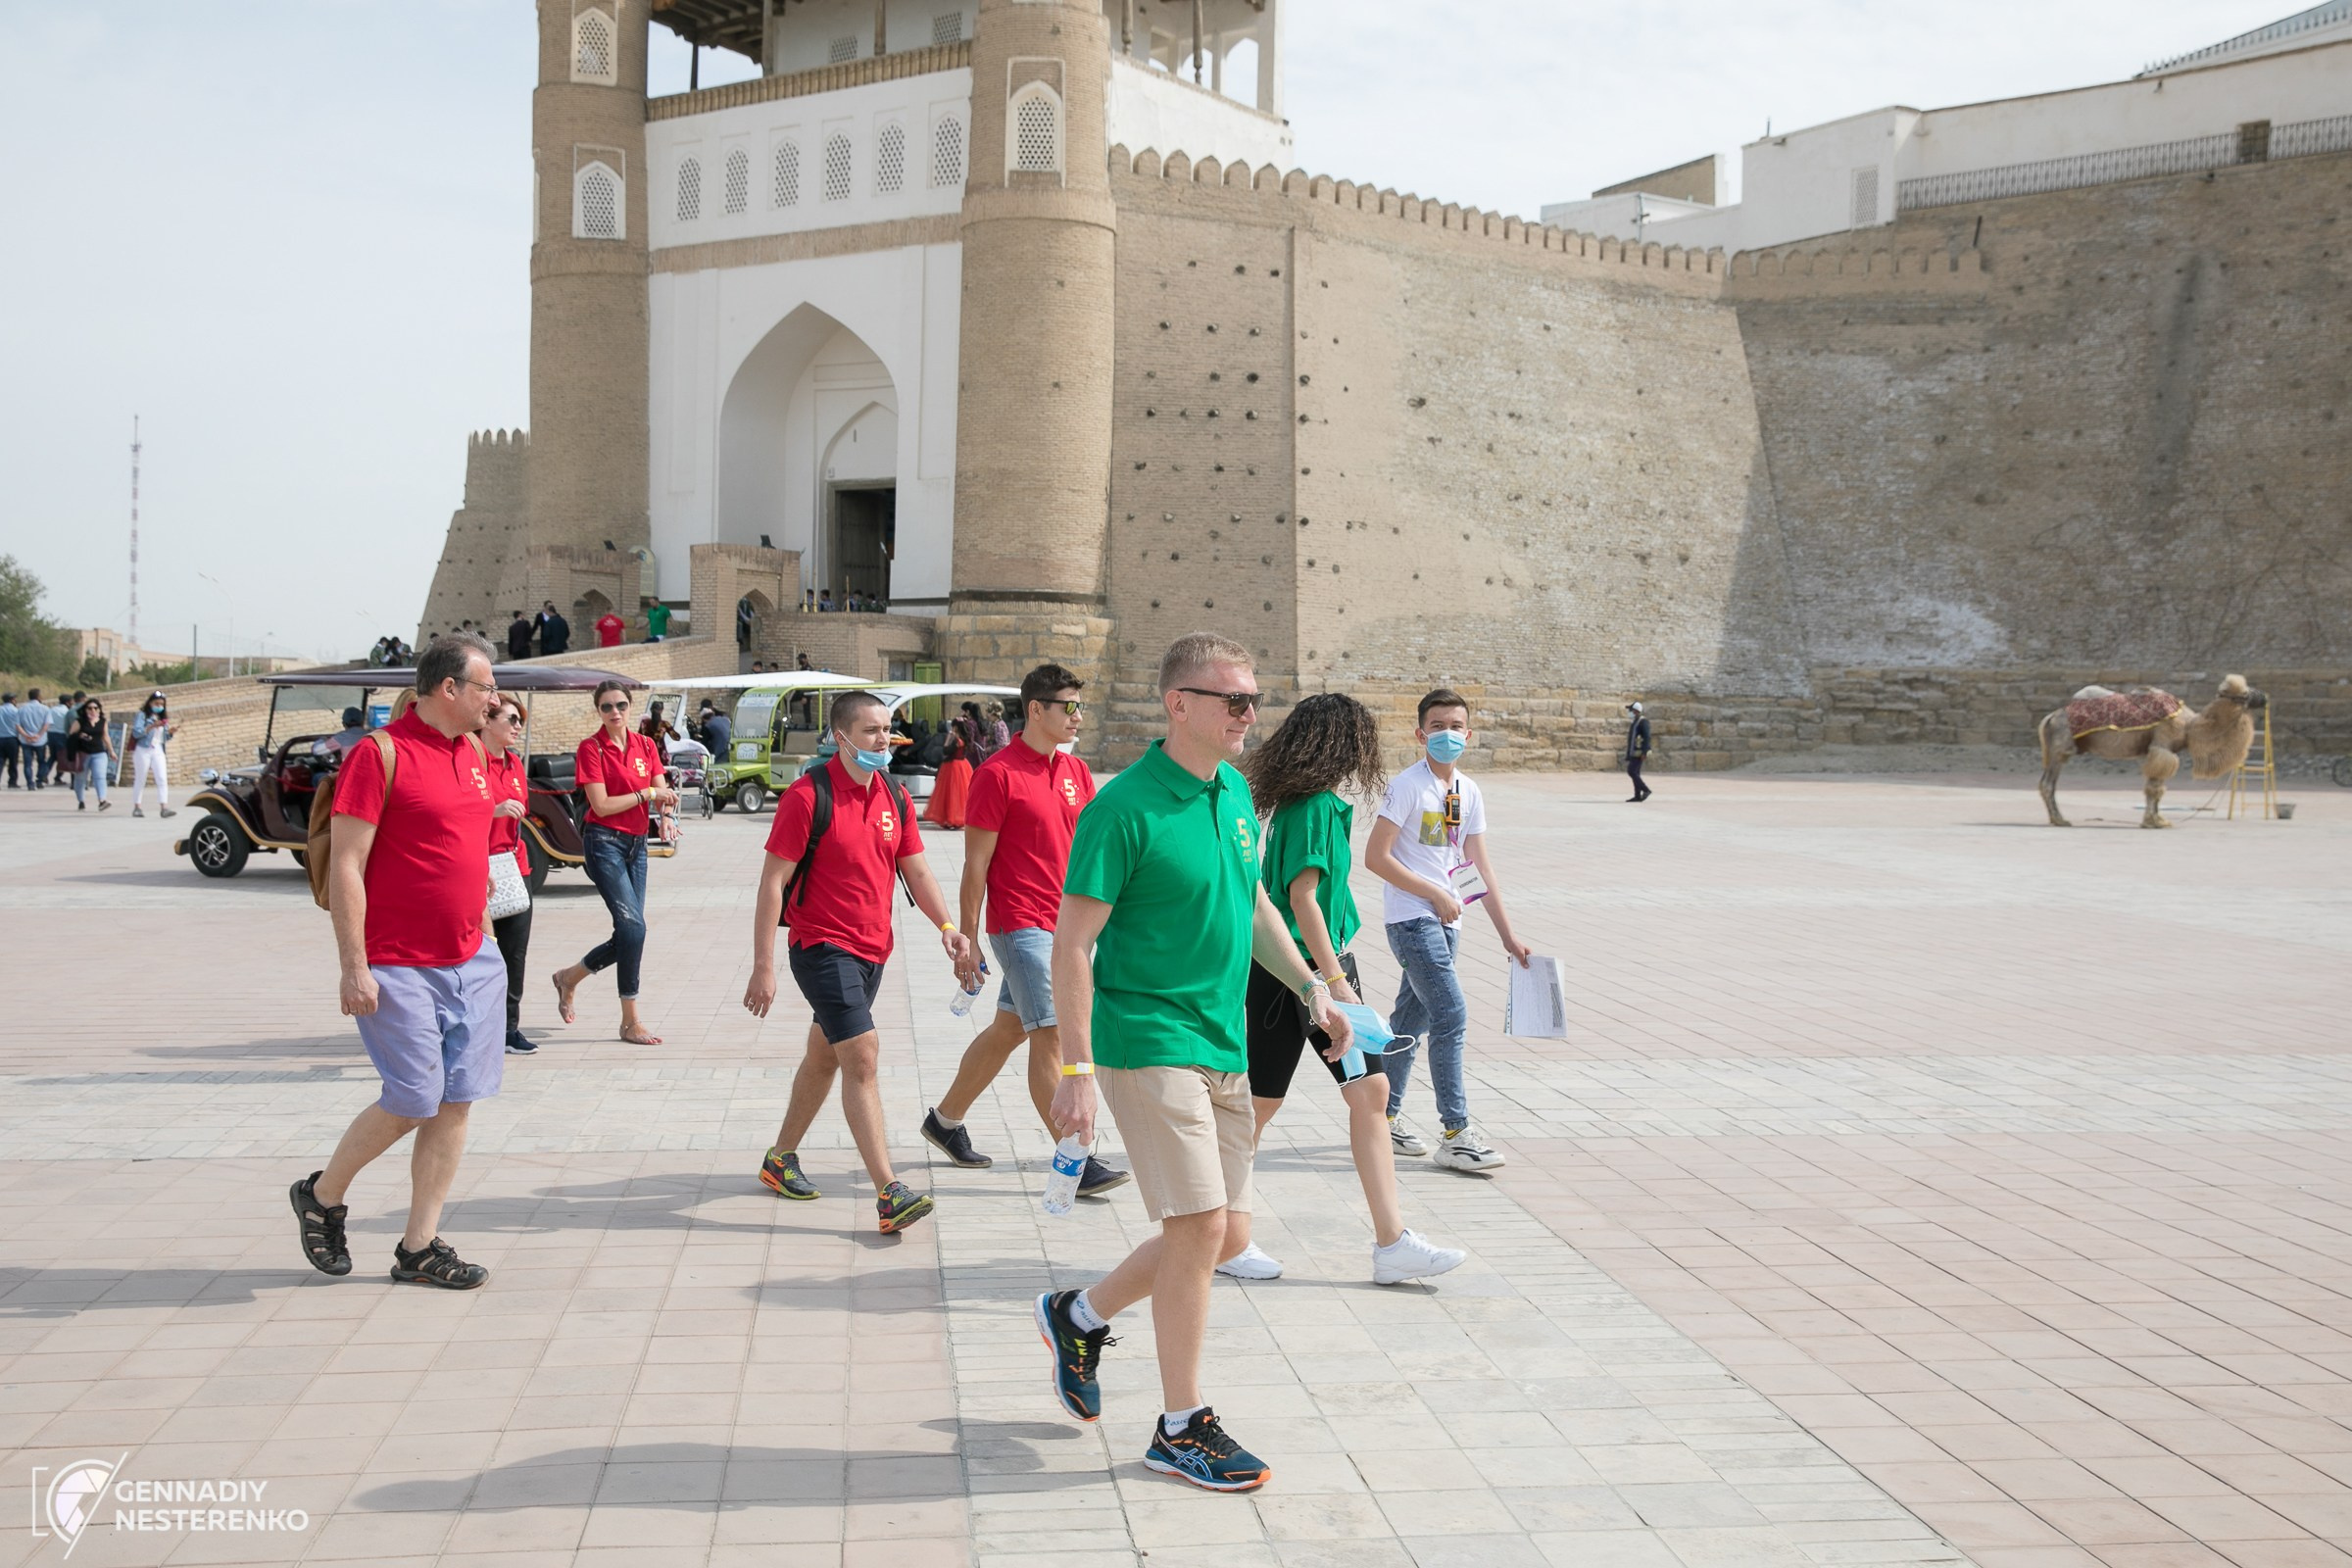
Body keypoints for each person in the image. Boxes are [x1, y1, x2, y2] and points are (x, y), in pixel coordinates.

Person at [1035, 633, 1350, 1494]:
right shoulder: (1124, 808)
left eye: (1255, 699)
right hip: (1146, 1035)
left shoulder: (1237, 797)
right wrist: (1075, 1074)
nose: (1251, 714)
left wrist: (1315, 984)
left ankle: (1080, 1314)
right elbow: (1071, 946)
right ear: (1180, 705)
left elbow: (1251, 905)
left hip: (1224, 1041)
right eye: (1234, 700)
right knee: (1202, 1224)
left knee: (1223, 1232)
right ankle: (1181, 1424)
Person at [1217, 694, 1466, 1286]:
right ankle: (1234, 1236)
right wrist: (1335, 984)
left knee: (1326, 1098)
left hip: (1287, 969)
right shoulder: (1320, 808)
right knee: (1318, 1100)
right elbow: (1303, 897)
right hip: (1304, 973)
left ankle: (1383, 1241)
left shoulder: (1297, 803)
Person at [289, 632, 504, 1291]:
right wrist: (354, 966)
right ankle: (323, 1195)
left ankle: (419, 1247)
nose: (494, 699)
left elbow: (468, 849)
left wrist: (488, 938)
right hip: (396, 962)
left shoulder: (471, 751)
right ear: (449, 690)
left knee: (457, 1101)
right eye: (486, 688)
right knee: (414, 1096)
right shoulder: (380, 756)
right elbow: (348, 864)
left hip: (472, 957)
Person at [743, 690, 972, 1234]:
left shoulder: (892, 794)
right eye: (871, 732)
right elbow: (773, 881)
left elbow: (916, 870)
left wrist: (948, 928)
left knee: (825, 1056)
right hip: (821, 947)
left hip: (874, 949)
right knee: (863, 1057)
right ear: (841, 738)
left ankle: (780, 1159)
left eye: (886, 730)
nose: (883, 741)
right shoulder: (807, 796)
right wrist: (764, 965)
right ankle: (889, 1192)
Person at [920, 664, 1127, 1197]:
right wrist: (966, 939)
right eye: (1069, 707)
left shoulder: (1076, 772)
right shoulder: (997, 774)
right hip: (1021, 924)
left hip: (1069, 928)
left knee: (1011, 1029)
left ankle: (943, 1122)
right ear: (1036, 709)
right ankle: (1075, 1158)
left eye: (1081, 706)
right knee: (1051, 1033)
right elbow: (975, 866)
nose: (1078, 716)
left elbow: (1086, 852)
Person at [1364, 689, 1534, 1173]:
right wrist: (1432, 892)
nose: (1447, 734)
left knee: (1409, 1025)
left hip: (1448, 921)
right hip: (1413, 920)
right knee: (1451, 1016)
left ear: (1469, 734)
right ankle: (1457, 1134)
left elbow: (1478, 865)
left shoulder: (1468, 791)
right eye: (1437, 725)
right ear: (1420, 734)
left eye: (1456, 726)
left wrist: (1507, 934)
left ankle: (1384, 1118)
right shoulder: (1407, 786)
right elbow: (1376, 857)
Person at [551, 680, 673, 1048]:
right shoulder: (592, 748)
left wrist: (667, 815)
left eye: (620, 704)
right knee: (634, 928)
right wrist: (648, 794)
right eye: (606, 707)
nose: (615, 712)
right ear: (598, 712)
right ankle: (630, 1021)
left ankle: (570, 976)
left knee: (630, 931)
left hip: (637, 844)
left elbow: (662, 790)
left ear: (631, 706)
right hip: (603, 842)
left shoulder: (646, 745)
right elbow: (601, 805)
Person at [483, 694, 538, 1056]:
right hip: (477, 867)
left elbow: (524, 812)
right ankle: (478, 1030)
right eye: (511, 719)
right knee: (480, 955)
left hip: (515, 867)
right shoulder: (471, 760)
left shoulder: (515, 763)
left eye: (520, 720)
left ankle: (509, 1028)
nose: (518, 726)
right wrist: (493, 808)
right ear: (487, 720)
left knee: (514, 954)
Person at [922, 706, 976, 828]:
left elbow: (946, 751)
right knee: (959, 795)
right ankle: (954, 818)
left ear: (956, 727)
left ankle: (950, 818)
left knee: (950, 794)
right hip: (963, 765)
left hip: (953, 767)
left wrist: (948, 739)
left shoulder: (956, 740)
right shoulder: (964, 740)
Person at [128, 692, 176, 818]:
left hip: (158, 749)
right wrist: (151, 726)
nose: (159, 706)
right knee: (141, 778)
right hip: (143, 749)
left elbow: (164, 736)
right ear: (150, 703)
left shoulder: (162, 718)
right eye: (157, 703)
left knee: (161, 778)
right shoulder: (142, 715)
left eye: (161, 704)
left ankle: (164, 807)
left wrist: (171, 733)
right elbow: (137, 733)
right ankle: (137, 806)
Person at [66, 698, 117, 812]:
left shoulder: (102, 721)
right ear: (85, 710)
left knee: (100, 776)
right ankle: (81, 800)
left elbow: (105, 736)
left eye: (95, 708)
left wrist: (111, 751)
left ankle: (102, 800)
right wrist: (80, 735)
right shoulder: (80, 721)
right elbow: (71, 735)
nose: (93, 710)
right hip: (83, 753)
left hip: (99, 752)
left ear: (99, 710)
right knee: (81, 779)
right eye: (90, 708)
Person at [17, 690, 53, 789]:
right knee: (41, 761)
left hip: (26, 741)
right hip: (40, 741)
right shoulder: (45, 709)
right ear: (39, 696)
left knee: (28, 764)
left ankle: (30, 783)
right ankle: (39, 781)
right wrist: (39, 735)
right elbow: (46, 725)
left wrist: (26, 735)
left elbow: (18, 725)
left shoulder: (22, 709)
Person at [1624, 700, 1653, 802]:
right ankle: (1637, 795)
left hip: (1639, 753)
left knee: (1631, 771)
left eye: (1631, 710)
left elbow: (1647, 737)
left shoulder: (1643, 721)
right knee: (1636, 772)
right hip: (1634, 752)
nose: (1630, 712)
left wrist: (1645, 752)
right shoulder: (1635, 721)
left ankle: (1646, 790)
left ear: (1636, 711)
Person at [0, 692, 20, 790]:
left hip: (0, 738)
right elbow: (19, 725)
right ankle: (12, 782)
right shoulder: (16, 711)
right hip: (12, 739)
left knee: (0, 762)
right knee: (13, 762)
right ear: (12, 700)